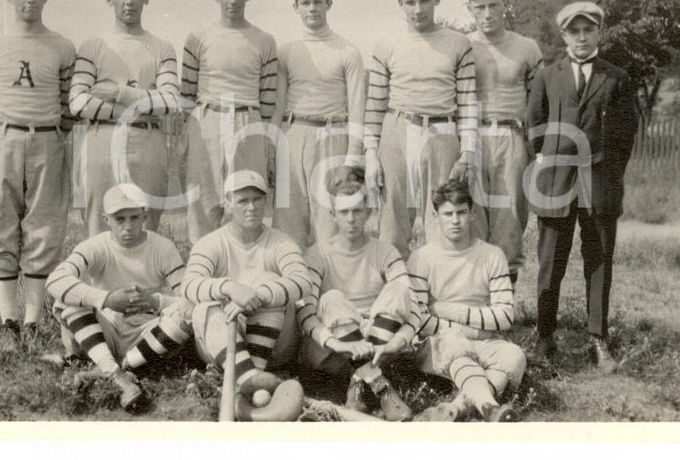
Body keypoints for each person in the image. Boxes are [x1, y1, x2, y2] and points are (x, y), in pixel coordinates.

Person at [525, 1, 639, 373]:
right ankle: (545, 336)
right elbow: (535, 127)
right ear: (563, 35)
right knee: (550, 263)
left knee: (599, 262)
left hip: (600, 182)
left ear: (598, 33)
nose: (582, 37)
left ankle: (597, 339)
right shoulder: (548, 75)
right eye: (574, 31)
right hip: (556, 182)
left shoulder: (617, 77)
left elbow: (625, 136)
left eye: (588, 30)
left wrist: (606, 173)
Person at [0, 0, 75, 349]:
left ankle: (32, 321)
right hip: (2, 137)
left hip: (47, 139)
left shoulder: (62, 47)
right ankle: (8, 322)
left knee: (44, 226)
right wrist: (2, 135)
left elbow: (67, 105)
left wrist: (47, 136)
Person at [45, 185, 193, 413]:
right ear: (106, 220)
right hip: (104, 333)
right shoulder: (96, 246)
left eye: (135, 217)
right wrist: (107, 299)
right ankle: (117, 374)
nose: (128, 226)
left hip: (147, 335)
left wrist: (156, 302)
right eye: (119, 219)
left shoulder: (162, 247)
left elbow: (190, 297)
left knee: (189, 312)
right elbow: (55, 280)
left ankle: (113, 369)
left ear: (145, 215)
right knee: (66, 300)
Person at [364, 0, 478, 258]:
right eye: (410, 2)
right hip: (397, 127)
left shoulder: (458, 43)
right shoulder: (386, 43)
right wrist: (369, 154)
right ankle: (397, 295)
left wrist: (468, 152)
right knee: (391, 225)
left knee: (440, 219)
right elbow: (375, 103)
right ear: (400, 3)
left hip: (441, 130)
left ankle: (437, 295)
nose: (418, 9)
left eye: (425, 1)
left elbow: (467, 102)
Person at [70, 0, 182, 238]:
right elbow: (78, 102)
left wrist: (120, 93)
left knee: (145, 227)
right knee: (100, 227)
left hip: (147, 142)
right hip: (102, 141)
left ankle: (145, 283)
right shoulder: (93, 46)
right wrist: (141, 104)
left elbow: (170, 101)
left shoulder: (161, 47)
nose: (129, 2)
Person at [181, 170, 312, 396]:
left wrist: (257, 295)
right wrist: (230, 288)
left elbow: (303, 281)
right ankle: (251, 379)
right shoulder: (211, 242)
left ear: (266, 202)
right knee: (204, 307)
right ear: (228, 205)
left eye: (257, 199)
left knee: (271, 283)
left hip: (274, 347)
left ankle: (249, 375)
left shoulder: (280, 241)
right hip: (222, 343)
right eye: (242, 201)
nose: (251, 207)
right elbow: (189, 285)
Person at [297, 173, 414, 421]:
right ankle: (380, 385)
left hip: (378, 344)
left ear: (368, 212)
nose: (351, 219)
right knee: (330, 298)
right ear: (333, 215)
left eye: (358, 211)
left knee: (399, 290)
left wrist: (398, 342)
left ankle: (359, 384)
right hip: (334, 349)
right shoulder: (318, 254)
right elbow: (305, 312)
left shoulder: (384, 251)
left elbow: (412, 304)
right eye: (344, 212)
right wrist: (338, 344)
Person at [407, 179, 524, 422]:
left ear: (472, 213)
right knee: (456, 348)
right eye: (448, 214)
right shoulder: (421, 259)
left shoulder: (492, 255)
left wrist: (448, 310)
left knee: (515, 356)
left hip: (485, 341)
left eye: (461, 213)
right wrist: (470, 330)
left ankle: (458, 407)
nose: (455, 220)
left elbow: (504, 316)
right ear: (436, 215)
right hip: (440, 343)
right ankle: (490, 407)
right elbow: (419, 320)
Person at [181, 0, 279, 244]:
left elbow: (268, 98)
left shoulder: (264, 40)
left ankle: (247, 270)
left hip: (248, 120)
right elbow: (187, 93)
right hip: (208, 118)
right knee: (203, 203)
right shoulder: (198, 37)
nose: (233, 0)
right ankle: (200, 272)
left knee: (248, 199)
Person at [271, 0, 366, 247]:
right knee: (288, 218)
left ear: (329, 5)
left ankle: (331, 282)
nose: (312, 8)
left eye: (318, 2)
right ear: (296, 7)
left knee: (328, 217)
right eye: (305, 3)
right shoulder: (287, 51)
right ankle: (292, 282)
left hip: (332, 135)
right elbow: (279, 105)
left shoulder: (348, 51)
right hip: (293, 133)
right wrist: (272, 146)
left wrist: (352, 157)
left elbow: (357, 108)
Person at [464, 0, 543, 291]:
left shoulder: (527, 47)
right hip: (470, 136)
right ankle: (474, 298)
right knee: (471, 217)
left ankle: (503, 302)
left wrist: (535, 146)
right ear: (470, 10)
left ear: (505, 6)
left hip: (511, 135)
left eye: (494, 5)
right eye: (480, 7)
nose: (487, 14)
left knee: (509, 218)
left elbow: (538, 100)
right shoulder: (462, 44)